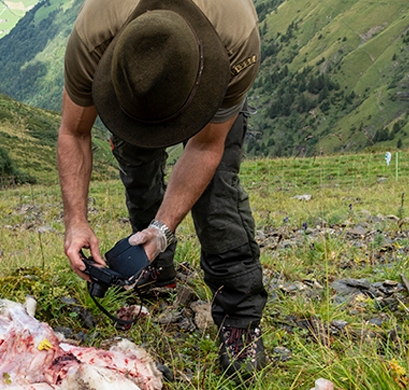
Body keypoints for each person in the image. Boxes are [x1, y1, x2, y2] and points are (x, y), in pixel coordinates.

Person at [58, 0, 267, 381]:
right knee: (136, 164)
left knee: (216, 193)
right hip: (130, 82)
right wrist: (76, 221)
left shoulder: (235, 38)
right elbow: (74, 132)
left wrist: (163, 228)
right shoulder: (94, 38)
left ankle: (240, 318)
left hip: (215, 64)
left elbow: (205, 146)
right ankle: (154, 267)